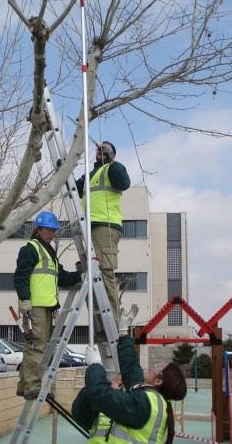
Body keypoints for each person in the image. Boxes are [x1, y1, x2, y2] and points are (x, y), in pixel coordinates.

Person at [14, 211, 82, 399]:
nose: (52, 234)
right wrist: (25, 300)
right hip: (34, 306)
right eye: (49, 230)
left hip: (45, 306)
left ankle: (24, 386)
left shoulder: (48, 252)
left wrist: (80, 275)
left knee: (33, 347)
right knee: (38, 347)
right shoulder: (30, 249)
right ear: (38, 230)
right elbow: (21, 277)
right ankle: (33, 388)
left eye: (54, 231)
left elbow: (61, 277)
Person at [72, 335, 188, 444]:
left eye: (159, 367)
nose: (155, 365)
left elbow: (100, 394)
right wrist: (123, 334)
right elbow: (131, 369)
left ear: (158, 381)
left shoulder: (147, 402)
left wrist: (95, 365)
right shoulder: (146, 399)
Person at [75, 141, 130, 332]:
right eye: (99, 148)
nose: (100, 150)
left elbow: (124, 183)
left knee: (105, 273)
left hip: (105, 226)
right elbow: (71, 188)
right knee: (92, 276)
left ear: (113, 154)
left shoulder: (113, 169)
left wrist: (111, 161)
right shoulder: (90, 176)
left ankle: (114, 326)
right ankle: (102, 328)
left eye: (105, 149)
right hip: (88, 228)